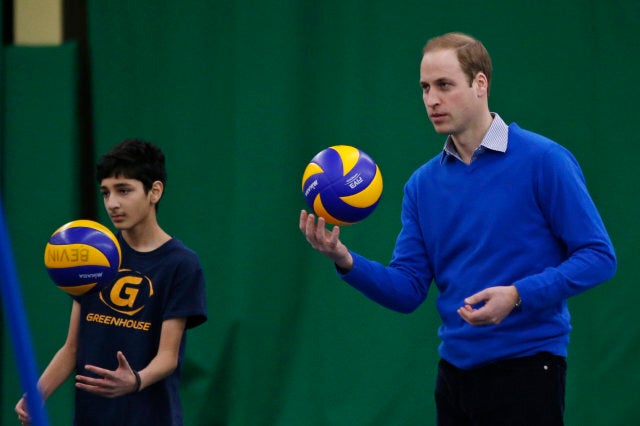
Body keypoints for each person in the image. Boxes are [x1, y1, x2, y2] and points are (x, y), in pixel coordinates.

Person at [299, 32, 616, 425]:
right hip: (453, 379)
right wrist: (345, 260)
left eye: (444, 85)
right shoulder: (422, 185)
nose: (432, 99)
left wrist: (518, 295)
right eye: (425, 88)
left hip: (529, 371)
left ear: (480, 83)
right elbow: (408, 290)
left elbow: (599, 257)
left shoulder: (544, 161)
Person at [16, 139, 207, 426]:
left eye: (124, 190)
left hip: (151, 417)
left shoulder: (181, 263)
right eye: (105, 193)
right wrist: (37, 394)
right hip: (91, 416)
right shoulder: (92, 257)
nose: (112, 203)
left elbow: (168, 357)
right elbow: (72, 347)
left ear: (155, 191)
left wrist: (135, 380)